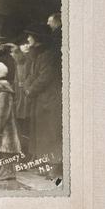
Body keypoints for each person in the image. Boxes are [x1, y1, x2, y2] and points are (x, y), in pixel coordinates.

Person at [23, 24, 63, 178]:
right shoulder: (37, 54)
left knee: (51, 135)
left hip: (49, 101)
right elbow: (31, 76)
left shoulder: (48, 55)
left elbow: (44, 77)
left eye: (30, 36)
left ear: (37, 38)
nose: (27, 39)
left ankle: (55, 168)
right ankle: (48, 166)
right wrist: (28, 87)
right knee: (43, 135)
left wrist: (30, 89)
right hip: (41, 101)